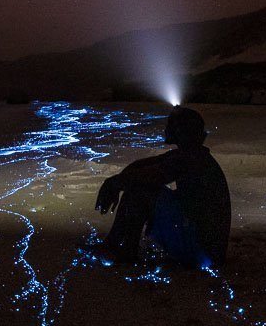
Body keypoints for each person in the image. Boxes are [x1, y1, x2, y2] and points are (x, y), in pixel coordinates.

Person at [92, 106, 230, 267]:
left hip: (202, 253)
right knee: (140, 185)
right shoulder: (193, 155)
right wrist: (118, 181)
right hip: (207, 251)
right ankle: (116, 246)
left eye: (169, 125)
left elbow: (152, 175)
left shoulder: (189, 158)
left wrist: (115, 182)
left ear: (179, 131)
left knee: (141, 191)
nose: (165, 129)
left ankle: (122, 251)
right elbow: (143, 167)